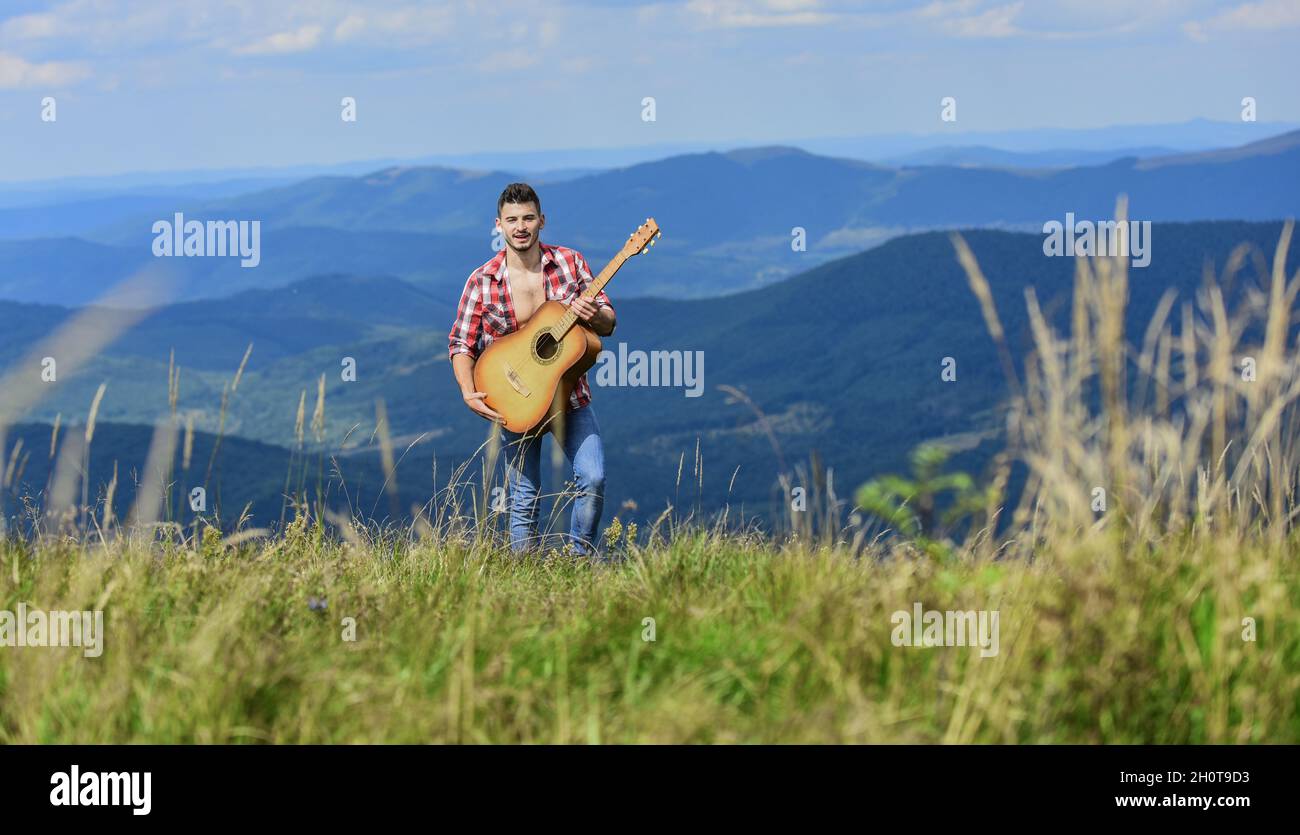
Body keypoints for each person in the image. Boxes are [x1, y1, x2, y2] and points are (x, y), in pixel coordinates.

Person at [448, 183, 617, 557]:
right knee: (525, 494)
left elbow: (607, 321)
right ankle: (523, 575)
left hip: (569, 398)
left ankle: (578, 563)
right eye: (512, 220)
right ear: (499, 226)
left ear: (542, 220)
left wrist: (597, 316)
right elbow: (462, 343)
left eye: (528, 218)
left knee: (593, 477)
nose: (520, 227)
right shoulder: (482, 281)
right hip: (515, 400)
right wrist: (467, 390)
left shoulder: (570, 263)